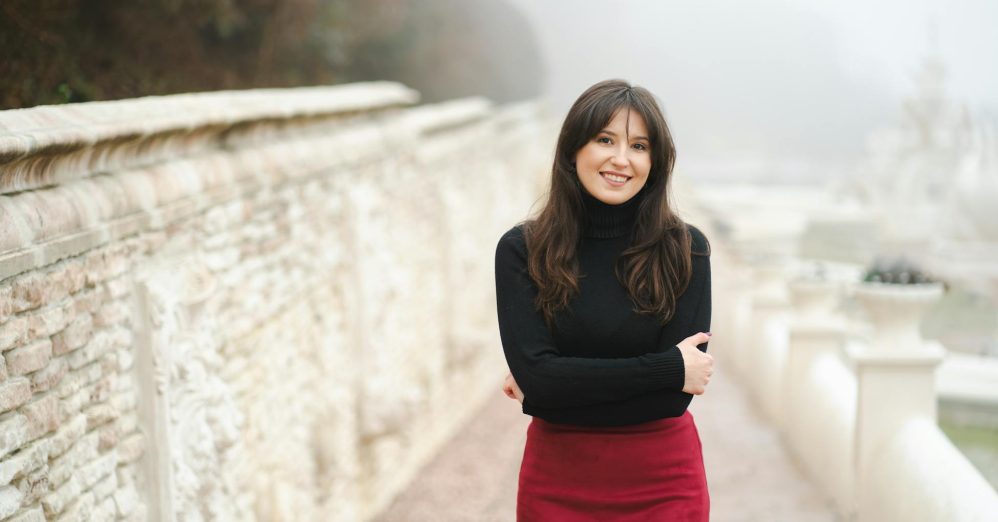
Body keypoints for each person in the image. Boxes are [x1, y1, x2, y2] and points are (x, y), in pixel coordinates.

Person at [494, 79, 714, 521]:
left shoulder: (686, 250)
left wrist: (553, 384)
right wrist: (668, 367)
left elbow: (671, 402)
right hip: (556, 480)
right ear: (574, 149)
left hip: (664, 483)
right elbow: (540, 381)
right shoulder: (522, 249)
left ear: (656, 161)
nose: (621, 159)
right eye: (605, 140)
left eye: (639, 146)